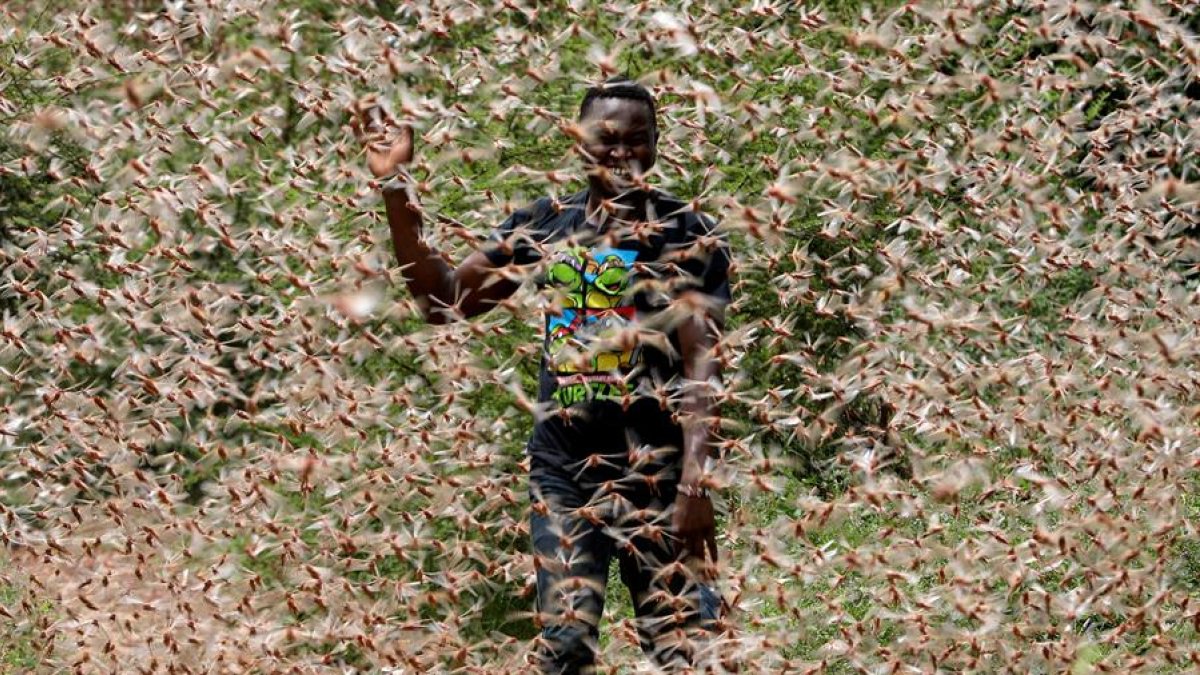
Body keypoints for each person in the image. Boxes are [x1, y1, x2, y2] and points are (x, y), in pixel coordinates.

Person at [354, 77, 732, 673]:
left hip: (657, 477)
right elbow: (444, 301)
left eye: (638, 139)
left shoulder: (688, 234)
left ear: (657, 145)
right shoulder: (547, 224)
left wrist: (694, 486)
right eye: (605, 138)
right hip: (565, 475)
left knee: (687, 651)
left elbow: (701, 363)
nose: (621, 152)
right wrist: (396, 187)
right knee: (565, 645)